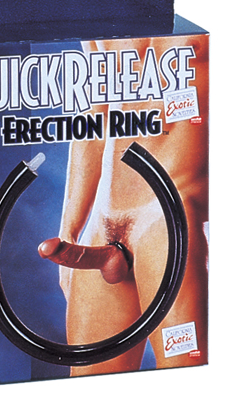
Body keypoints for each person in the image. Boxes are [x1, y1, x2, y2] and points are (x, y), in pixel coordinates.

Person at [39, 34, 208, 376]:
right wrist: (69, 229)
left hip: (173, 214)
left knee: (185, 377)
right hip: (105, 218)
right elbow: (94, 115)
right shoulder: (100, 13)